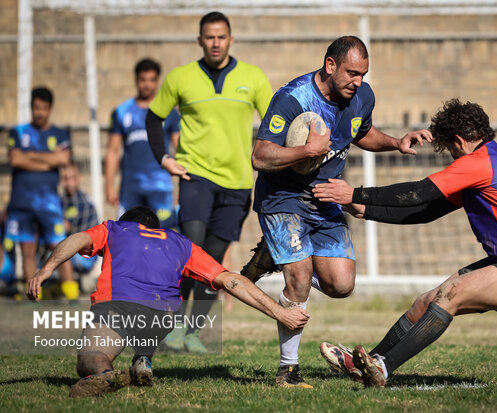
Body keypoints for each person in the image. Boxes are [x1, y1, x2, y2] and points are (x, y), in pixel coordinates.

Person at [313, 98, 497, 387]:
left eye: (450, 149)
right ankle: (366, 364)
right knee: (426, 302)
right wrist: (367, 211)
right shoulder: (486, 163)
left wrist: (356, 193)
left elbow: (419, 192)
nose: (452, 156)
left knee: (450, 294)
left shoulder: (479, 163)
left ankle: (384, 367)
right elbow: (427, 211)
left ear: (458, 141)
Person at [245, 35, 432, 388]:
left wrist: (395, 142)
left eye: (363, 74)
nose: (358, 82)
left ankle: (278, 254)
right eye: (351, 73)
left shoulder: (362, 96)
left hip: (326, 199)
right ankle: (288, 371)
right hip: (283, 198)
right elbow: (260, 156)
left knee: (341, 285)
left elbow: (360, 132)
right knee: (299, 279)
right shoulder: (292, 98)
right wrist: (306, 150)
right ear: (330, 65)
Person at [26, 206, 309, 398]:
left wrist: (46, 268)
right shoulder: (180, 243)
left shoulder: (115, 229)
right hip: (163, 315)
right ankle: (143, 358)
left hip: (119, 307)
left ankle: (105, 374)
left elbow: (77, 239)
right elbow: (230, 280)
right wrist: (280, 313)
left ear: (128, 222)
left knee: (91, 359)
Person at [146, 11, 272, 353]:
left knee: (214, 263)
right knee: (191, 249)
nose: (215, 42)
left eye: (221, 36)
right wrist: (164, 159)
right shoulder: (180, 78)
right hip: (195, 177)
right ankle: (171, 328)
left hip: (237, 183)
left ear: (230, 39)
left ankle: (193, 333)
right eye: (209, 37)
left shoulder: (254, 77)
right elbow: (154, 118)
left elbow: (275, 122)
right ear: (199, 40)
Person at [6, 87, 78, 301]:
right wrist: (49, 159)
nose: (40, 112)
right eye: (37, 108)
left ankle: (72, 295)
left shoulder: (59, 134)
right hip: (22, 203)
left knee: (60, 248)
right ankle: (34, 298)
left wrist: (29, 157)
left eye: (44, 108)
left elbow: (64, 160)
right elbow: (15, 160)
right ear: (31, 107)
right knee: (27, 251)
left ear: (50, 109)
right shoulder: (18, 132)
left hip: (49, 204)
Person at [105, 58, 181, 228]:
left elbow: (179, 149)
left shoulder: (169, 113)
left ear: (157, 81)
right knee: (127, 235)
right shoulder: (121, 112)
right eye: (143, 79)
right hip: (131, 187)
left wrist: (182, 186)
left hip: (160, 186)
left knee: (162, 235)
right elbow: (113, 150)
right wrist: (109, 186)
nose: (147, 84)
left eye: (152, 80)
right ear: (136, 79)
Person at [61, 162, 99, 274]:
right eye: (65, 178)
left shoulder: (83, 202)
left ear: (78, 179)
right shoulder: (61, 201)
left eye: (72, 178)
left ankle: (69, 288)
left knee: (58, 251)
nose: (68, 183)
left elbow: (67, 229)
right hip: (71, 250)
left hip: (85, 255)